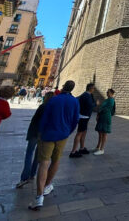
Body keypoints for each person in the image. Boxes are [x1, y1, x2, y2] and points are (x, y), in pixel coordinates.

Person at [29, 80, 79, 211]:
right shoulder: (74, 102)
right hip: (63, 135)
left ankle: (39, 197)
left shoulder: (54, 100)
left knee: (44, 163)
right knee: (56, 160)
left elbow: (44, 118)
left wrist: (41, 132)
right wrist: (68, 131)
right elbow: (75, 120)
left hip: (48, 135)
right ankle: (47, 185)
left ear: (63, 87)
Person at [16, 91, 55, 188]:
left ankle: (24, 177)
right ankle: (32, 174)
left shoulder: (43, 106)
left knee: (29, 154)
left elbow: (35, 120)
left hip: (35, 132)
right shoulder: (53, 108)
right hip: (44, 134)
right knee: (37, 155)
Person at [70, 83, 96, 158]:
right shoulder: (86, 95)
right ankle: (73, 151)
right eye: (93, 88)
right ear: (90, 88)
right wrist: (95, 104)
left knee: (83, 132)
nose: (94, 90)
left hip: (85, 116)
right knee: (80, 133)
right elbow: (90, 105)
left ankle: (82, 148)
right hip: (83, 117)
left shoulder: (86, 95)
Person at [94, 89, 116, 155]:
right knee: (100, 132)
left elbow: (106, 109)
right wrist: (98, 114)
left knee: (104, 133)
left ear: (112, 93)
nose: (107, 93)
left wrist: (99, 112)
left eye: (108, 92)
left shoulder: (111, 100)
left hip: (106, 117)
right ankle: (98, 147)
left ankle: (102, 149)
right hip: (102, 117)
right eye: (107, 92)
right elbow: (102, 107)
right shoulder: (107, 99)